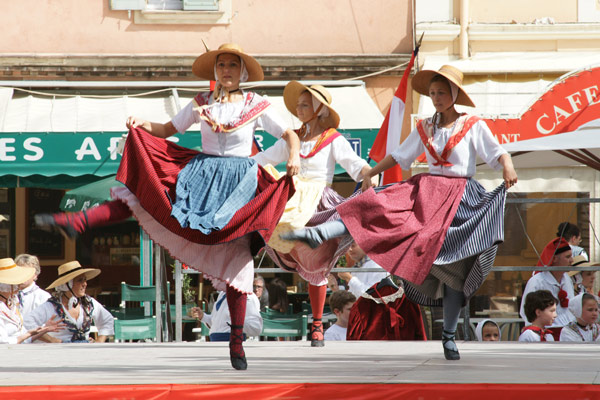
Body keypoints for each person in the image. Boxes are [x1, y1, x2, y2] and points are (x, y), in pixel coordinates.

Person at [34, 43, 300, 370]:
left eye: (232, 64)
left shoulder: (256, 105)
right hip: (201, 176)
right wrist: (143, 125)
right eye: (221, 65)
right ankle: (80, 221)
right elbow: (167, 130)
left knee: (239, 258)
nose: (226, 70)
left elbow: (289, 133)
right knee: (146, 196)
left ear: (242, 72)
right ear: (215, 71)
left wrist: (293, 157)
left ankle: (236, 340)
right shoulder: (202, 102)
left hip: (239, 181)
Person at [283, 65, 517, 360]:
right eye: (432, 93)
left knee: (456, 271)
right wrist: (371, 172)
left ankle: (448, 337)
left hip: (460, 199)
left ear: (455, 94)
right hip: (427, 193)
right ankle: (320, 232)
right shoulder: (426, 127)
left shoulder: (473, 125)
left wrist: (507, 165)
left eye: (442, 93)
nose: (436, 98)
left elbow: (496, 152)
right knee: (375, 207)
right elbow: (401, 155)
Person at [252, 82, 376, 347]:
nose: (299, 108)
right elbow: (263, 159)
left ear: (319, 109)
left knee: (316, 265)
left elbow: (355, 165)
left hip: (319, 205)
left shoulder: (333, 139)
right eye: (298, 104)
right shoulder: (292, 138)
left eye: (305, 104)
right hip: (292, 203)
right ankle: (316, 323)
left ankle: (317, 323)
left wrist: (368, 174)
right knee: (295, 250)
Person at [24, 261, 114, 343]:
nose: (85, 284)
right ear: (67, 285)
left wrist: (99, 341)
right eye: (80, 280)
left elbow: (107, 320)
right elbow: (28, 322)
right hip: (61, 353)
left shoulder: (89, 303)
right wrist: (52, 340)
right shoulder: (52, 306)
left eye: (85, 279)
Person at [519, 238, 576, 340]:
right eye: (568, 257)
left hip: (567, 333)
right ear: (554, 259)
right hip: (546, 333)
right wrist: (537, 333)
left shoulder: (567, 279)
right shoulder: (537, 281)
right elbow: (526, 311)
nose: (572, 260)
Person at [0, 258, 64, 344]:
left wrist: (44, 329)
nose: (17, 288)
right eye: (13, 285)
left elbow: (24, 337)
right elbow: (3, 342)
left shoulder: (11, 305)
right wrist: (27, 334)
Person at [190, 290, 262, 342]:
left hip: (231, 344)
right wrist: (203, 316)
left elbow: (256, 328)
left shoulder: (247, 295)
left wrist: (237, 318)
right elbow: (218, 324)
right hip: (216, 344)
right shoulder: (222, 293)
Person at [15, 254, 51, 318]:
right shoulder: (7, 294)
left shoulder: (43, 297)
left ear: (35, 275)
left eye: (27, 272)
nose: (23, 275)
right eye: (20, 271)